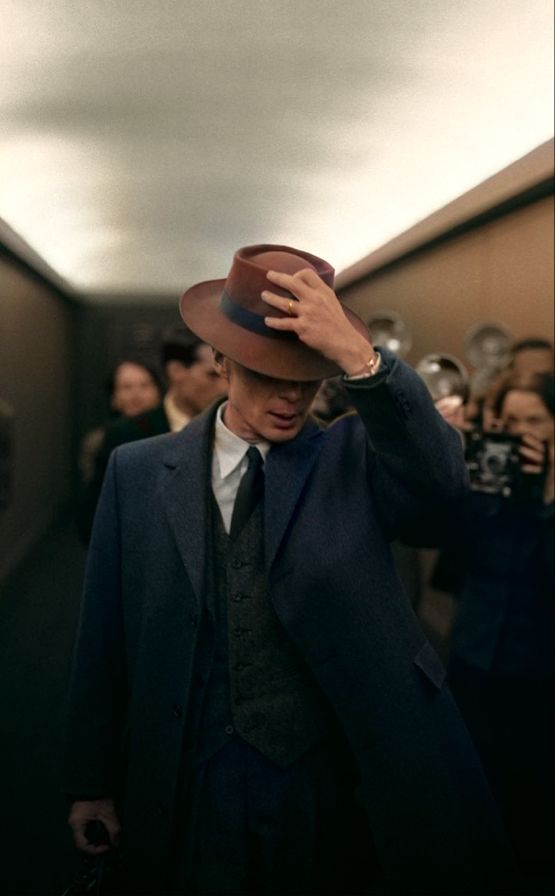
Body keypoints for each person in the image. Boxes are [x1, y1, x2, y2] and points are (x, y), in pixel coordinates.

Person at [64, 244, 509, 896]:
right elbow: (103, 635)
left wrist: (362, 361)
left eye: (305, 376)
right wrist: (91, 782)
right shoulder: (137, 471)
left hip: (320, 781)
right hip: (189, 773)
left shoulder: (352, 457)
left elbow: (443, 487)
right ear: (219, 360)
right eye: (267, 373)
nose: (289, 396)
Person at [445, 372, 554, 888]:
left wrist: (550, 497)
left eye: (534, 421)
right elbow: (447, 563)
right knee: (473, 808)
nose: (521, 433)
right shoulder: (487, 486)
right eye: (510, 422)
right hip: (474, 662)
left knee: (533, 816)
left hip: (540, 679)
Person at [77, 328, 226, 543]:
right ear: (176, 371)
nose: (223, 387)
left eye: (226, 376)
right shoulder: (127, 434)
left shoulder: (234, 429)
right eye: (212, 375)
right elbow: (94, 521)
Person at [78, 359, 163, 486]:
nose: (136, 395)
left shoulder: (172, 433)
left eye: (144, 386)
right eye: (127, 387)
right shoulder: (98, 441)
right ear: (113, 397)